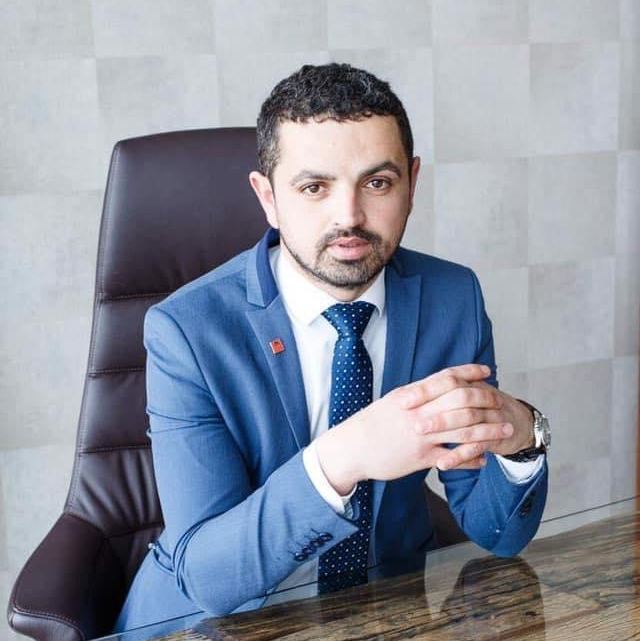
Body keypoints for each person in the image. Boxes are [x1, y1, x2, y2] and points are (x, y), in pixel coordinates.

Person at [113, 63, 549, 632]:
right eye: (314, 187)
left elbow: (497, 533)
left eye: (378, 183)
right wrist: (343, 459)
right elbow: (209, 576)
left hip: (380, 615)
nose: (349, 216)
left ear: (412, 184)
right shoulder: (187, 330)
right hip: (213, 624)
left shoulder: (452, 297)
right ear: (268, 197)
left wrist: (524, 438)